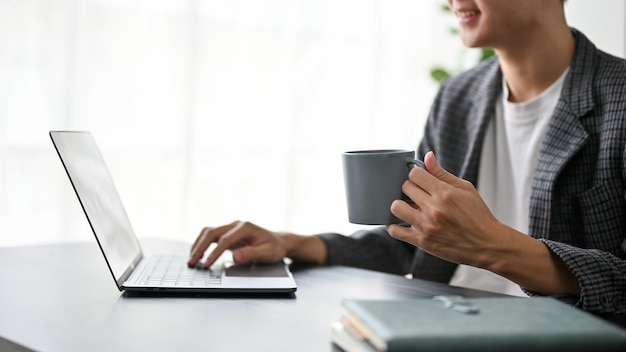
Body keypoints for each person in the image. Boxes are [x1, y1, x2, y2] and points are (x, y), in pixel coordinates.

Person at [188, 0, 626, 314]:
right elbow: (410, 240)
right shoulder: (459, 97)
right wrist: (296, 245)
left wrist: (495, 248)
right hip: (442, 318)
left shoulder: (619, 97)